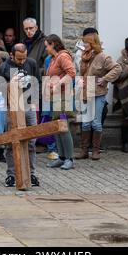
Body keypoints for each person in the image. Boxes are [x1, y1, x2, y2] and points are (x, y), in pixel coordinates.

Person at [0, 43, 41, 187]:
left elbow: (37, 83)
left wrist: (35, 101)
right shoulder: (3, 67)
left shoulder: (32, 63)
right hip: (12, 108)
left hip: (29, 107)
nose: (22, 62)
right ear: (11, 55)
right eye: (19, 59)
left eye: (24, 58)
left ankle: (31, 173)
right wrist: (9, 85)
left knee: (32, 142)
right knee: (12, 142)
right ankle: (11, 175)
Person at [76, 31, 122, 160]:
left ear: (92, 43)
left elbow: (117, 68)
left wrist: (105, 79)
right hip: (85, 92)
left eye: (86, 42)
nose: (84, 45)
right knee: (85, 123)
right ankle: (84, 150)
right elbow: (82, 73)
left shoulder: (103, 57)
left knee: (96, 123)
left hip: (98, 93)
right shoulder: (84, 56)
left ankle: (95, 150)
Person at [43, 34, 77, 170]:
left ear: (53, 44)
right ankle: (62, 157)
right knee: (57, 127)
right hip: (55, 97)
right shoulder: (53, 59)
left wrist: (58, 84)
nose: (46, 49)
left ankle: (69, 159)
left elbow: (72, 73)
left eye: (47, 46)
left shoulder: (63, 56)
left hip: (64, 96)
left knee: (64, 127)